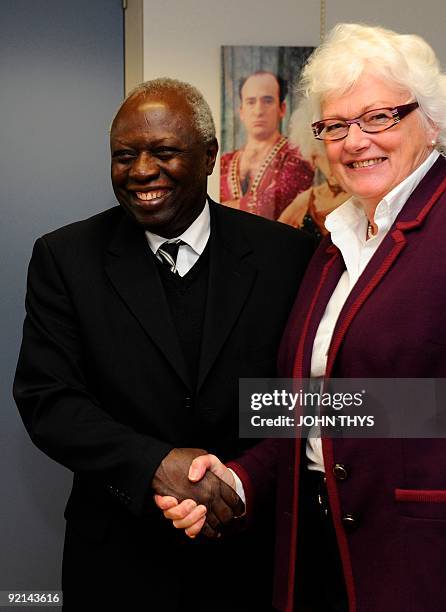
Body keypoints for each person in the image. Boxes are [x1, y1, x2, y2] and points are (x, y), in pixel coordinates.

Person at [156, 24, 446, 612]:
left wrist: (359, 410)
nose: (355, 141)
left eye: (379, 117)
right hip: (318, 550)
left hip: (439, 564)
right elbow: (308, 407)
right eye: (335, 125)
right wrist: (237, 478)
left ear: (431, 121)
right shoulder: (333, 244)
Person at [13, 77, 314, 611]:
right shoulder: (65, 258)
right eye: (124, 156)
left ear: (208, 156)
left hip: (250, 555)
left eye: (164, 152)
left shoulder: (286, 256)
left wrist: (240, 483)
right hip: (116, 562)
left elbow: (301, 398)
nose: (142, 171)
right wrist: (156, 463)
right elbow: (48, 400)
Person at [220, 71, 314, 220]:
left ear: (282, 109)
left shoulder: (298, 156)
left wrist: (216, 209)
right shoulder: (224, 162)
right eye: (251, 102)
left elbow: (272, 204)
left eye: (268, 101)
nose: (258, 111)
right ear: (241, 111)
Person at [278, 100, 349, 240]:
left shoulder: (363, 196)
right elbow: (274, 238)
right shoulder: (308, 199)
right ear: (313, 159)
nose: (330, 164)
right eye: (320, 156)